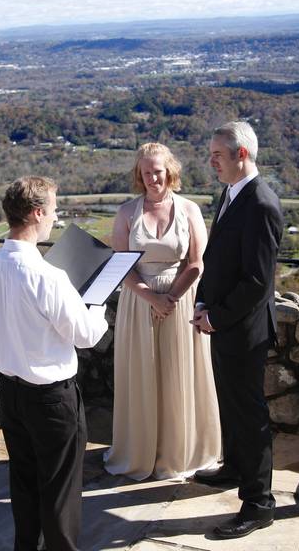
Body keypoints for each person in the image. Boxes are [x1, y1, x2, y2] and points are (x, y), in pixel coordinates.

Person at [0, 176, 108, 551]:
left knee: (25, 484)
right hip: (51, 399)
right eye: (52, 209)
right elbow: (86, 335)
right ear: (36, 213)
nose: (54, 217)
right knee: (61, 493)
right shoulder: (48, 277)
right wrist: (97, 305)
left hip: (10, 391)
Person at [104, 143, 221, 480]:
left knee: (179, 375)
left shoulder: (189, 210)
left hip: (181, 302)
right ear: (139, 176)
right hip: (138, 304)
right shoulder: (127, 212)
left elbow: (196, 263)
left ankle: (180, 451)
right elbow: (121, 266)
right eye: (145, 172)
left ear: (170, 170)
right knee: (142, 374)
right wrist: (150, 298)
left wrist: (169, 298)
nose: (152, 177)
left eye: (157, 170)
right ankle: (140, 450)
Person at [192, 121, 283, 540]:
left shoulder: (261, 204)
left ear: (241, 155)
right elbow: (219, 259)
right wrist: (202, 302)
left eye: (217, 155)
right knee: (229, 403)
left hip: (243, 330)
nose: (211, 162)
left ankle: (259, 503)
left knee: (250, 415)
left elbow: (257, 282)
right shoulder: (230, 193)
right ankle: (233, 467)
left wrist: (217, 316)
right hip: (224, 324)